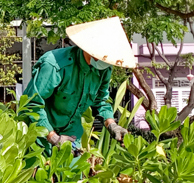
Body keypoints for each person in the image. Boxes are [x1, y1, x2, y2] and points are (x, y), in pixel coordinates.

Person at [25, 16, 138, 151]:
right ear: (91, 50)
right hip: (40, 137)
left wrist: (112, 124)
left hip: (72, 136)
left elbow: (100, 101)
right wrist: (52, 137)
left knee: (74, 170)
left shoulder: (104, 69)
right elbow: (31, 103)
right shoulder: (54, 65)